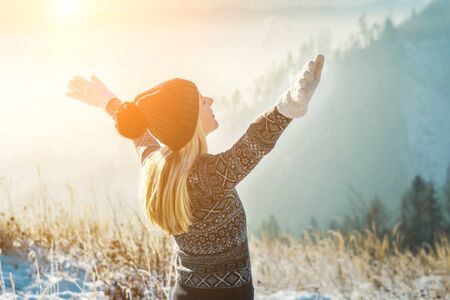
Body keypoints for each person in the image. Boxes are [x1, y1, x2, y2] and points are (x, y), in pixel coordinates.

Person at [66, 54, 325, 300]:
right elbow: (253, 143)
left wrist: (106, 100)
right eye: (202, 101)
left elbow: (139, 132)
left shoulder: (156, 167)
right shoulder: (209, 177)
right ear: (187, 122)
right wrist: (290, 103)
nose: (210, 101)